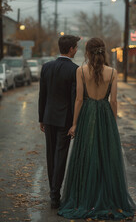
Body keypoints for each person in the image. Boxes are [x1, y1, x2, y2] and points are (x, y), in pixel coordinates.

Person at [58, 38, 136, 220]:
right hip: (105, 115)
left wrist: (74, 123)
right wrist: (113, 122)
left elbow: (79, 99)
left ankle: (85, 199)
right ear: (103, 52)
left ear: (87, 52)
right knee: (105, 158)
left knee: (86, 156)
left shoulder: (80, 71)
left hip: (87, 115)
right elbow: (114, 101)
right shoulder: (112, 72)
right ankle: (107, 200)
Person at [38, 35, 80, 209]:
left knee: (50, 156)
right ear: (70, 49)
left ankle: (53, 192)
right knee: (60, 156)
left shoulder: (47, 67)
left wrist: (41, 118)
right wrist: (74, 123)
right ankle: (55, 194)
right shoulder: (75, 70)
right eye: (76, 47)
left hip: (48, 118)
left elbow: (43, 95)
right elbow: (74, 98)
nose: (77, 49)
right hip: (64, 121)